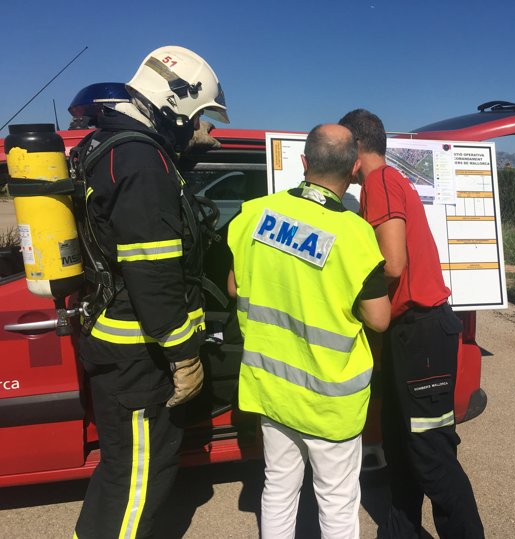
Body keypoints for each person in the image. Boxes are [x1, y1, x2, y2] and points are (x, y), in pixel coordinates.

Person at [72, 46, 229, 539]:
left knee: (122, 471)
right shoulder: (141, 161)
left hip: (121, 346)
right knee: (137, 479)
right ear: (176, 102)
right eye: (198, 115)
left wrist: (183, 157)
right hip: (139, 358)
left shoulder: (118, 147)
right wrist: (184, 354)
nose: (199, 124)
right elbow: (152, 270)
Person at [226, 123, 391, 538]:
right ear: (354, 168)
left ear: (304, 163)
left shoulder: (254, 213)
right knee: (336, 500)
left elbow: (233, 285)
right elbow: (379, 318)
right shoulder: (356, 236)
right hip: (330, 401)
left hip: (273, 389)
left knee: (279, 488)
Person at [339, 109, 485, 539]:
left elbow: (394, 262)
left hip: (421, 334)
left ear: (354, 147)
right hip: (412, 335)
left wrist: (343, 286)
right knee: (401, 449)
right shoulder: (388, 183)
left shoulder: (380, 184)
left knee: (430, 455)